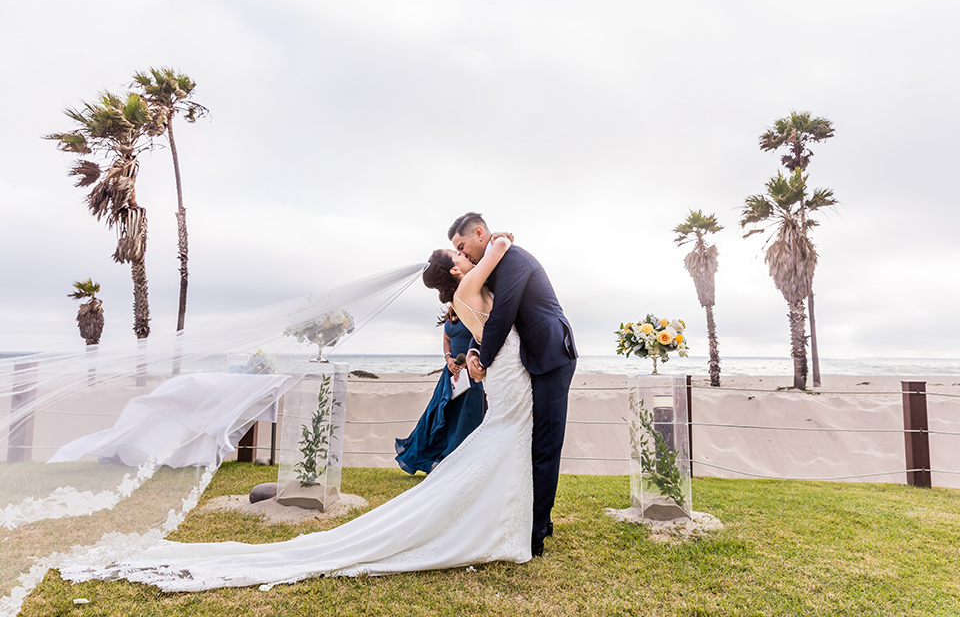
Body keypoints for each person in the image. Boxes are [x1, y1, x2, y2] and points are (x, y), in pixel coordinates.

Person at [59, 235, 534, 591]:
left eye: (462, 252)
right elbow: (500, 247)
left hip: (506, 372)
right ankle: (498, 524)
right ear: (454, 271)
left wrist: (475, 354)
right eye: (458, 256)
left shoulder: (461, 292)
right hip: (510, 373)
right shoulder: (467, 284)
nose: (464, 256)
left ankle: (503, 520)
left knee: (500, 442)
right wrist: (496, 245)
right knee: (500, 441)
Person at [449, 212, 577, 558]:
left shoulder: (514, 259)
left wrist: (483, 361)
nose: (465, 254)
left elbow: (504, 314)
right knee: (532, 441)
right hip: (529, 360)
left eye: (463, 246)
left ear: (479, 233)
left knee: (546, 444)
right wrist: (475, 350)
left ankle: (536, 531)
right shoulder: (497, 261)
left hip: (552, 356)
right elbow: (488, 320)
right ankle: (538, 519)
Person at [394, 307, 485, 474]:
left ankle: (454, 461)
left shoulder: (471, 310)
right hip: (451, 373)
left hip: (470, 372)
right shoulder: (451, 314)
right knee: (439, 414)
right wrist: (449, 358)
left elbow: (481, 338)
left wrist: (466, 362)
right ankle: (431, 457)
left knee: (464, 419)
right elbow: (446, 339)